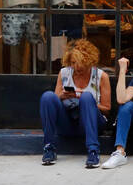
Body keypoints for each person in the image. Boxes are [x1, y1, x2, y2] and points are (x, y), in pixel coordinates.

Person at [39, 38, 112, 168]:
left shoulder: (101, 76)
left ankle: (93, 151)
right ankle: (49, 148)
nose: (76, 67)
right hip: (68, 122)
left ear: (89, 61)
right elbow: (53, 104)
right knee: (48, 97)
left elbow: (106, 109)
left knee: (87, 97)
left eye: (80, 63)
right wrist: (61, 96)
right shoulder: (64, 73)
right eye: (72, 62)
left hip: (91, 124)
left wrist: (82, 97)